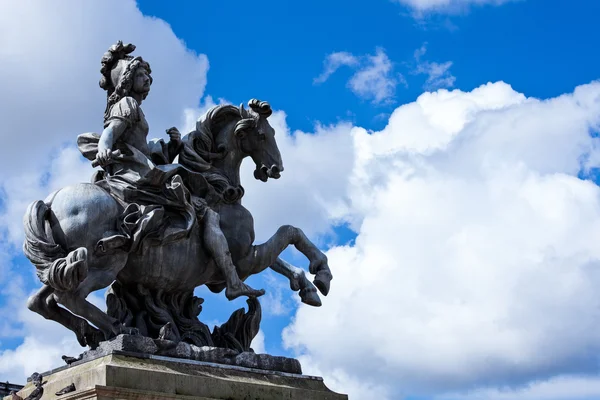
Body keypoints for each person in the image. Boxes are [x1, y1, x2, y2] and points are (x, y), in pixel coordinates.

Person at [78, 41, 264, 300]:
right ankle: (232, 280)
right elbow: (110, 133)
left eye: (148, 75)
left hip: (137, 167)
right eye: (142, 75)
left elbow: (139, 146)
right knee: (206, 212)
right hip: (134, 175)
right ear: (129, 80)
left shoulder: (132, 107)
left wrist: (172, 145)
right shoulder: (128, 105)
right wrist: (104, 147)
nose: (148, 79)